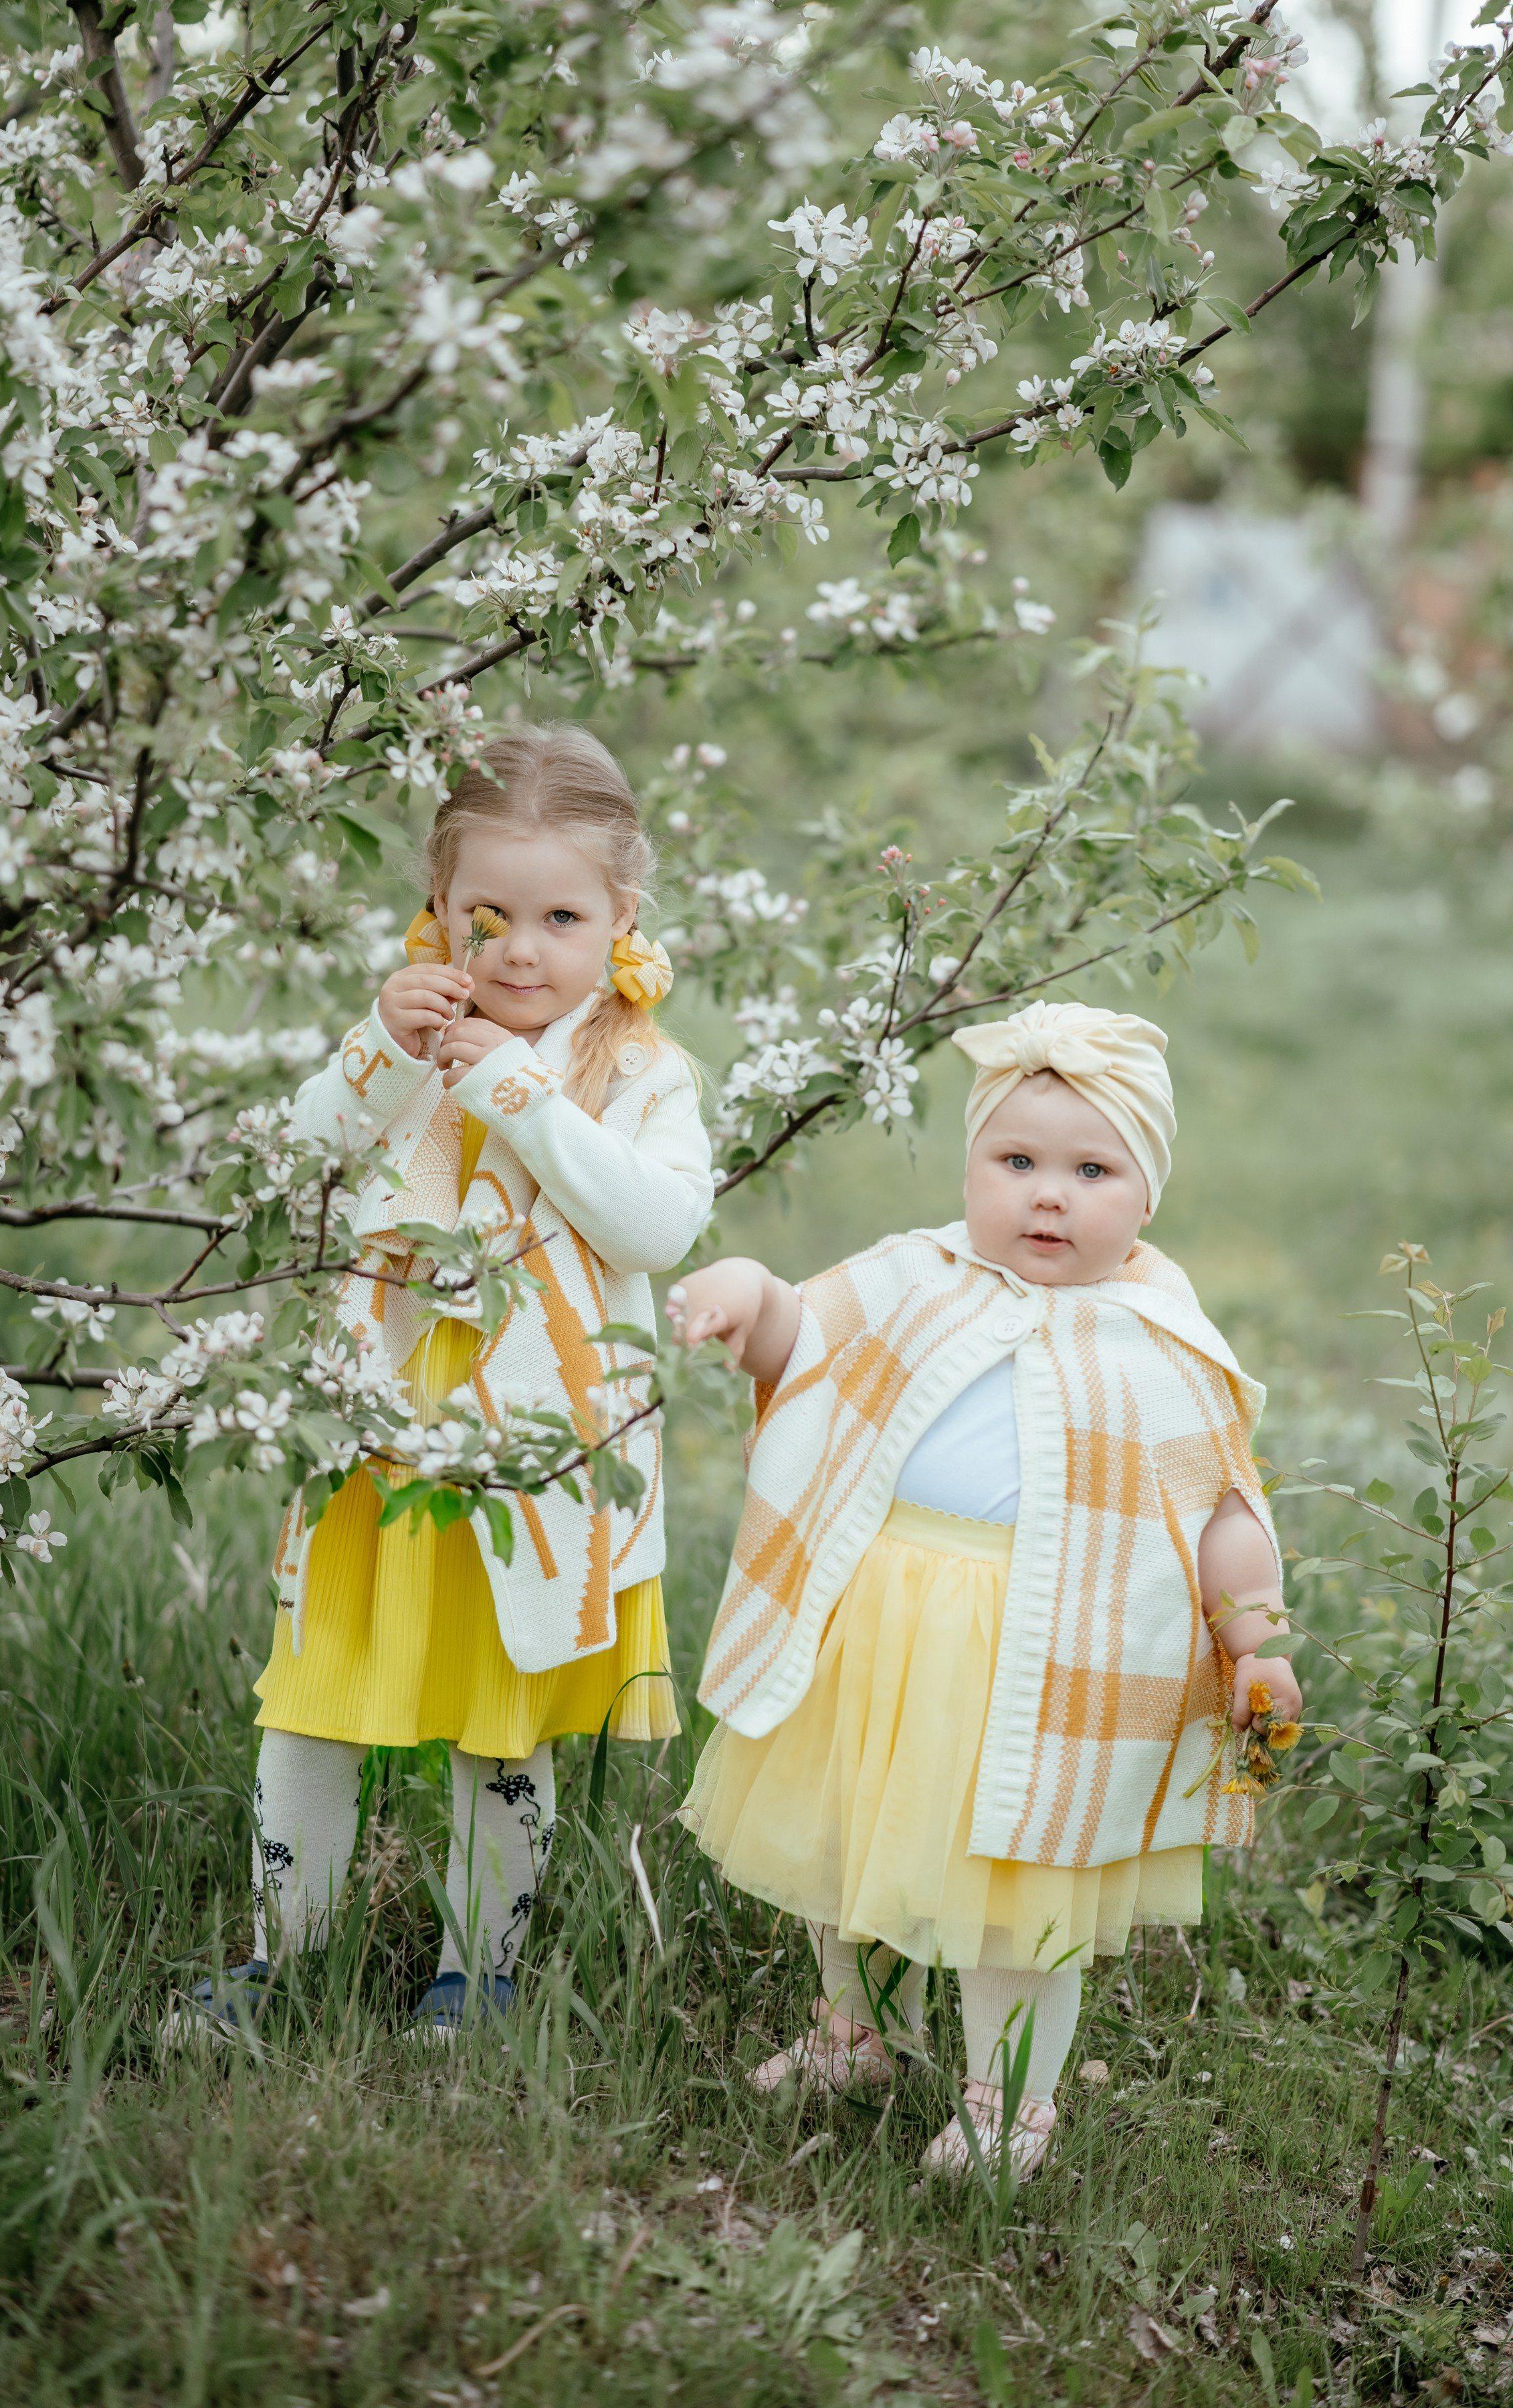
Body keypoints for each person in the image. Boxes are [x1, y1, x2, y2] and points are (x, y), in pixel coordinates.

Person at [668, 1000, 1298, 2176]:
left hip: (1053, 1657)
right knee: (857, 1844)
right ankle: (853, 2032)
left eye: (1091, 1169)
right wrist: (752, 1292)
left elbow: (1220, 1509)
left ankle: (1011, 2103)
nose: (1047, 1195)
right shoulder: (917, 1275)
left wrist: (1253, 1638)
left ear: (1147, 1196)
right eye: (1015, 1162)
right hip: (888, 1628)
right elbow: (806, 1348)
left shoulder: (1162, 1341)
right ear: (972, 1169)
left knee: (1020, 1893)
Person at [195, 723, 712, 2037]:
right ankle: (283, 1956)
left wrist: (531, 1095)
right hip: (380, 1435)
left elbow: (655, 1229)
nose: (521, 950)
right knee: (312, 1709)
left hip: (527, 1465)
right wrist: (376, 1044)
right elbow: (293, 1165)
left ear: (620, 917)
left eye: (560, 916)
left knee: (500, 1724)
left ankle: (476, 1973)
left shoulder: (639, 1072)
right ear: (436, 907)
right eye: (487, 914)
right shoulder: (409, 1044)